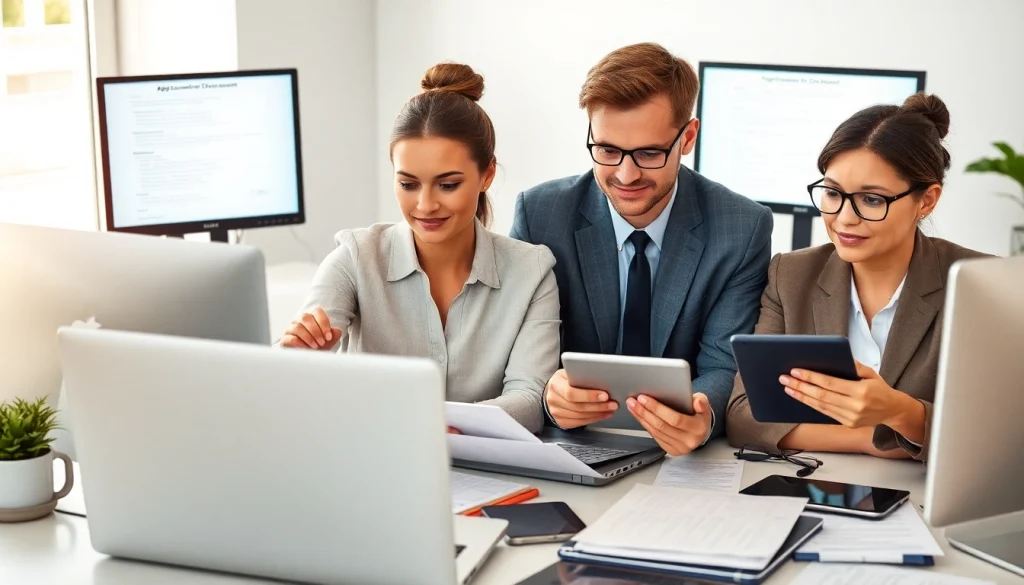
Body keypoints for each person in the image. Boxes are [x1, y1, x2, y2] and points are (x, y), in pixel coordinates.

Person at [511, 43, 773, 455]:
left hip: (682, 459)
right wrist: (547, 392)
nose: (626, 174)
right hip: (565, 446)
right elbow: (520, 356)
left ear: (687, 138)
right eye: (608, 150)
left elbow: (723, 365)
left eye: (650, 153)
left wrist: (702, 416)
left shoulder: (741, 228)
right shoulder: (541, 215)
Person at [280, 63, 560, 433]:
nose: (425, 205)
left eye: (447, 185)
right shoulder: (355, 257)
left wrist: (449, 425)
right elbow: (290, 382)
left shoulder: (532, 271)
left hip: (486, 470)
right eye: (409, 184)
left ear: (486, 175)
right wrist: (300, 358)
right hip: (371, 461)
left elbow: (529, 399)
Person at [726, 93, 988, 462]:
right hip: (817, 487)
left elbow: (993, 433)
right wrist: (873, 437)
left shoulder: (979, 284)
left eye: (872, 200)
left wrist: (900, 411)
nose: (845, 218)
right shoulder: (791, 275)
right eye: (832, 193)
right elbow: (744, 417)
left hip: (931, 502)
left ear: (927, 200)